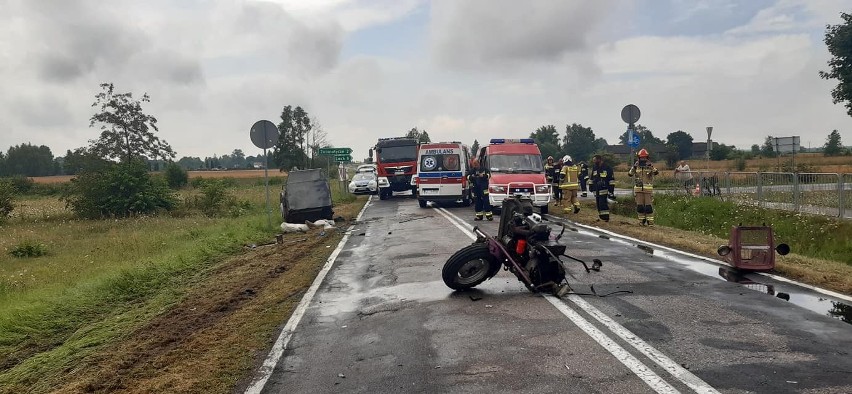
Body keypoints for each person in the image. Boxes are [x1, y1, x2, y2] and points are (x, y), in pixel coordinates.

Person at [628, 148, 660, 226]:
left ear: (647, 158)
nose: (643, 159)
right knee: (640, 207)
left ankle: (650, 222)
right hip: (638, 190)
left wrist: (651, 166)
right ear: (639, 158)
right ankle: (641, 221)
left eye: (644, 157)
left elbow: (656, 172)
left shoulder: (649, 166)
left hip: (648, 190)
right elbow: (630, 174)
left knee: (648, 207)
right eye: (641, 157)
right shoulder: (636, 166)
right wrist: (634, 167)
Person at [588, 154, 614, 222]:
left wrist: (611, 190)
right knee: (598, 204)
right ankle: (601, 217)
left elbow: (611, 180)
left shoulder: (607, 168)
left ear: (599, 160)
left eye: (595, 160)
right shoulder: (595, 167)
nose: (594, 161)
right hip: (596, 188)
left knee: (603, 203)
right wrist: (591, 186)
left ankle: (606, 217)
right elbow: (591, 178)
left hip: (604, 188)